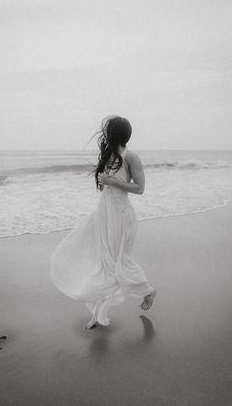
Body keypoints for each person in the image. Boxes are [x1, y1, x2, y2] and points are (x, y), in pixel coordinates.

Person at [50, 115, 157, 330]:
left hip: (121, 215)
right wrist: (105, 181)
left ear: (114, 134)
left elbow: (140, 188)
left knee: (117, 262)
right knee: (101, 262)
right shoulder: (109, 155)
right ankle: (98, 313)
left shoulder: (131, 157)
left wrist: (112, 180)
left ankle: (147, 291)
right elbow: (108, 186)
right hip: (104, 213)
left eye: (108, 130)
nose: (105, 133)